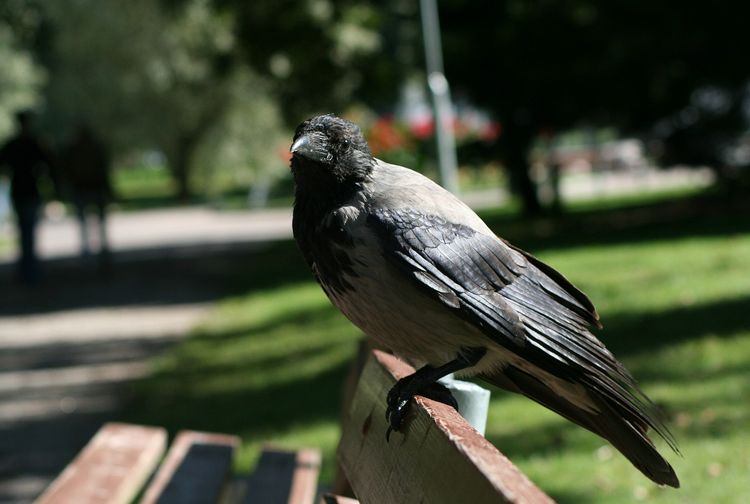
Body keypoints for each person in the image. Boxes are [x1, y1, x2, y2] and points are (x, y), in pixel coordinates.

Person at [0, 111, 56, 284]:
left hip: (19, 191)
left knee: (24, 229)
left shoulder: (13, 144)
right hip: (29, 191)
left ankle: (27, 267)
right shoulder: (34, 143)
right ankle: (30, 268)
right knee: (29, 229)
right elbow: (48, 165)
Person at [61, 123, 113, 265]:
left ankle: (88, 249)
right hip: (93, 187)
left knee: (83, 220)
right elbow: (103, 168)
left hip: (82, 188)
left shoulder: (74, 149)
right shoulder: (95, 147)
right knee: (98, 220)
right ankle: (101, 247)